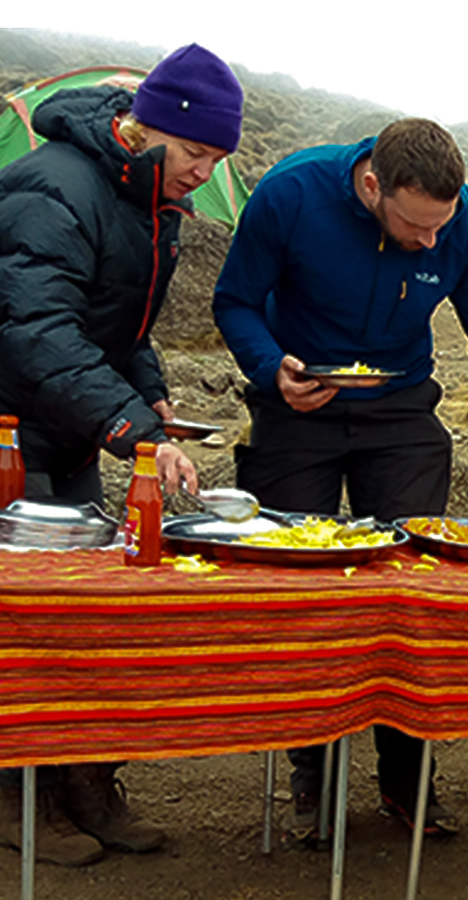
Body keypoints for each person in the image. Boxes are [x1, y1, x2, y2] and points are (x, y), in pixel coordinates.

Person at [212, 117, 468, 839]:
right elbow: (233, 301)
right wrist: (272, 368)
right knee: (308, 593)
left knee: (410, 584)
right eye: (416, 226)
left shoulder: (465, 222)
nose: (431, 243)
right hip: (299, 406)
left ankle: (407, 780)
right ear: (370, 185)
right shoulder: (291, 193)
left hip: (401, 411)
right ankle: (313, 777)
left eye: (441, 226)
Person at [0, 44, 243, 864]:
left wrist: (155, 393)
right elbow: (36, 329)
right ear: (148, 130)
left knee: (85, 620)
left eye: (217, 159)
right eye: (198, 153)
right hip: (6, 430)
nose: (204, 172)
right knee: (21, 628)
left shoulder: (146, 201)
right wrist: (131, 427)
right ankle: (13, 801)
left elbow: (122, 325)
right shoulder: (55, 186)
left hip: (66, 425)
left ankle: (84, 783)